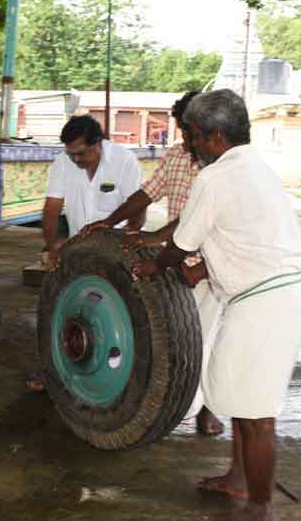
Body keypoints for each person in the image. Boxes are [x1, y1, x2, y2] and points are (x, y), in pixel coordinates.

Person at [130, 89, 301, 521]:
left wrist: (156, 266)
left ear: (213, 136)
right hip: (276, 297)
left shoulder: (215, 178)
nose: (191, 145)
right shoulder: (258, 169)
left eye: (194, 136)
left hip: (267, 307)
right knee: (241, 399)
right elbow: (240, 238)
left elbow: (180, 243)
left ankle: (259, 505)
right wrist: (201, 270)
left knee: (257, 416)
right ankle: (239, 479)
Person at [82, 91, 225, 437]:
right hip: (174, 262)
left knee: (205, 341)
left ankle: (210, 409)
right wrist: (112, 220)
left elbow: (200, 219)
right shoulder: (177, 155)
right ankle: (172, 405)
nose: (185, 138)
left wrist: (153, 238)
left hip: (208, 265)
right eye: (182, 130)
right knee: (173, 342)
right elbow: (148, 193)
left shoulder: (221, 166)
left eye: (190, 132)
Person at [41, 115, 142, 269]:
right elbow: (51, 209)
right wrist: (51, 248)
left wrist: (129, 239)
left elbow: (138, 205)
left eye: (80, 153)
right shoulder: (62, 161)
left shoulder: (125, 160)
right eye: (70, 154)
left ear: (97, 143)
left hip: (115, 249)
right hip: (76, 247)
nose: (74, 159)